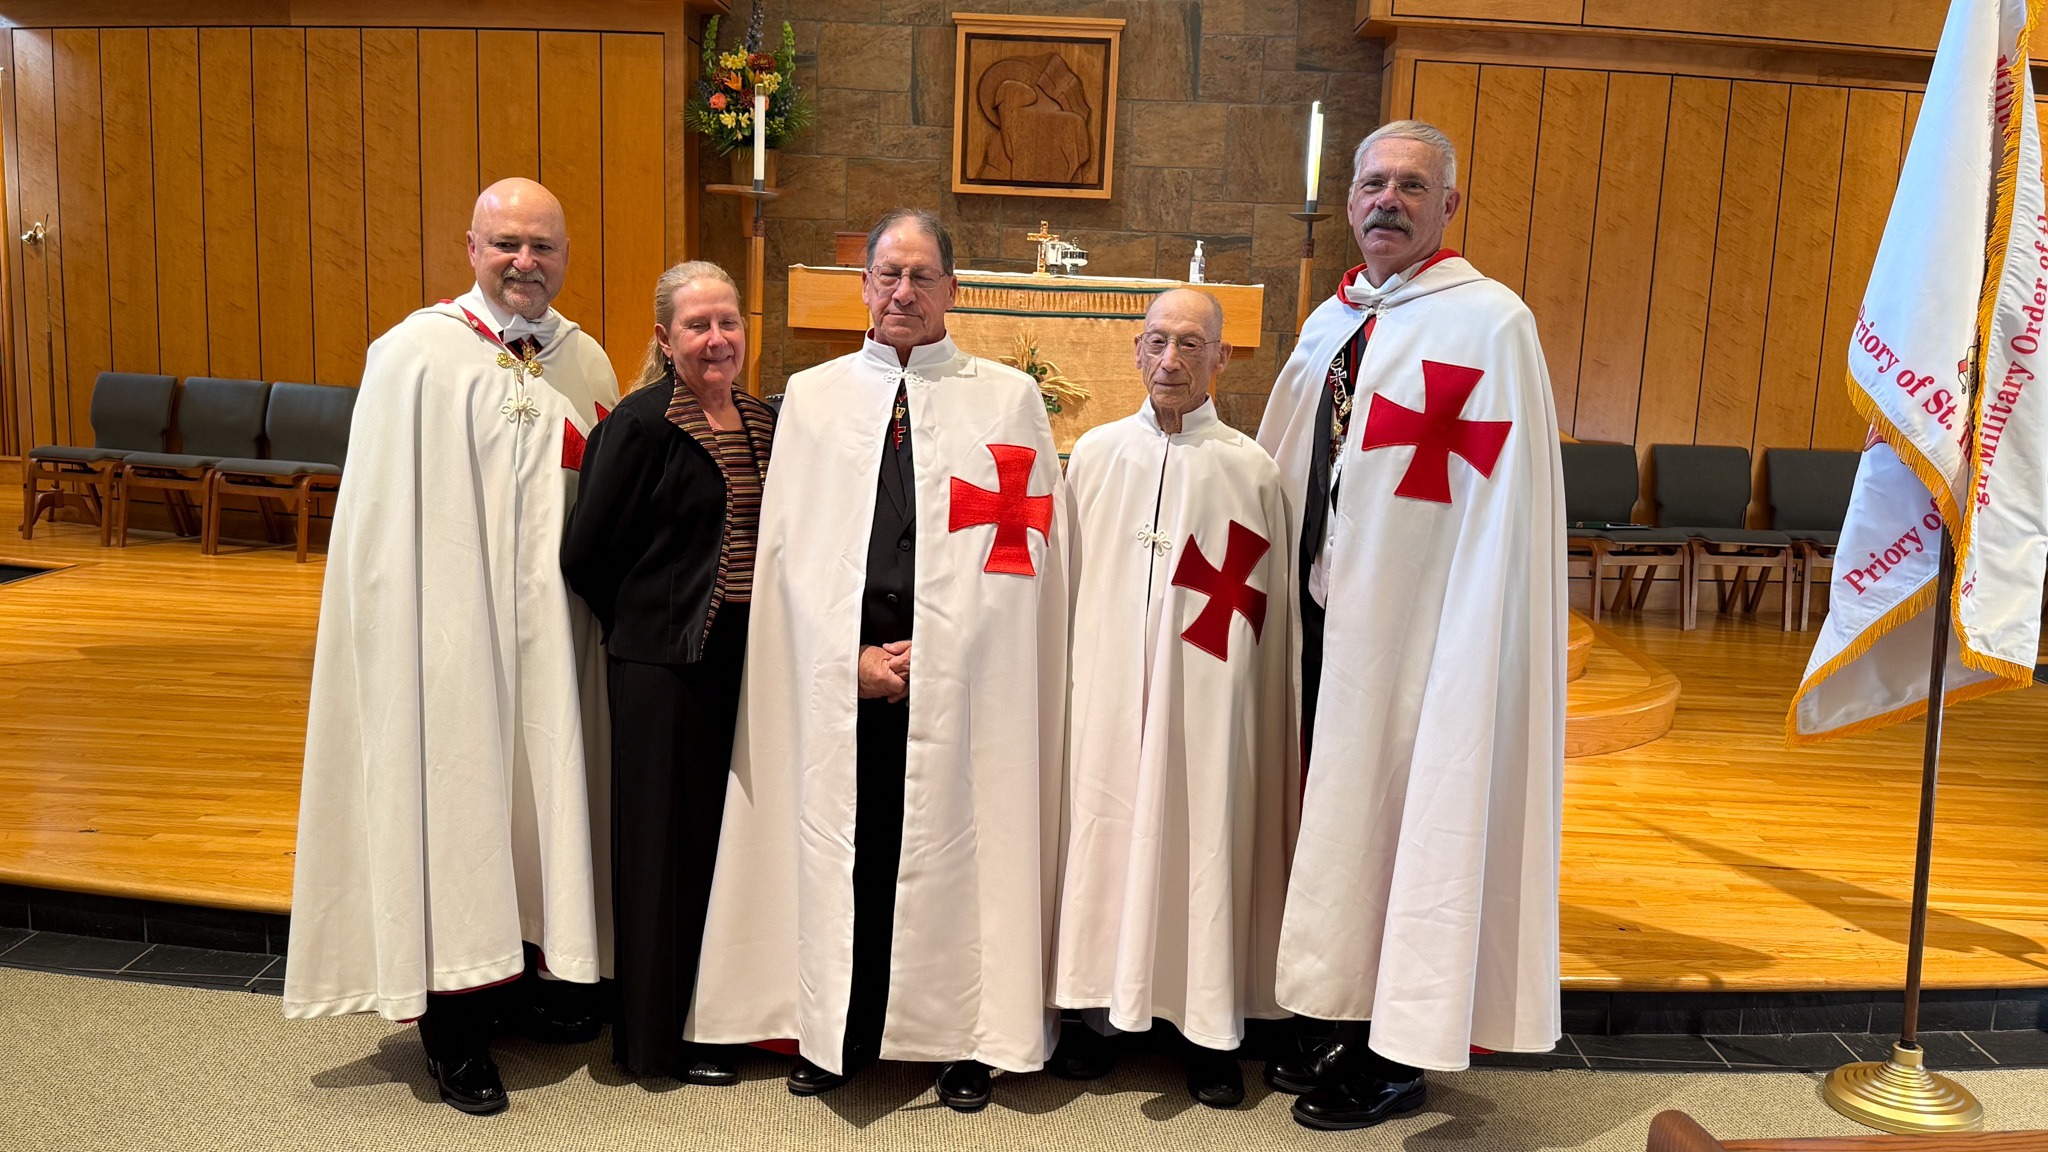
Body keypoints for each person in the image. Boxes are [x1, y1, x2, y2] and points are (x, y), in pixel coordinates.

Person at [685, 208, 1071, 1113]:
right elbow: (788, 560)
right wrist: (845, 658)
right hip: (849, 673)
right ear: (863, 287)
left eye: (922, 275)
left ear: (952, 289)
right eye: (888, 275)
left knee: (957, 848)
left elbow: (1026, 559)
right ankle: (838, 1029)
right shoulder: (814, 399)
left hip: (962, 678)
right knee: (849, 849)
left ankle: (964, 1036)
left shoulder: (1006, 399)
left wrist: (947, 652)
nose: (903, 292)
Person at [283, 178, 621, 1115]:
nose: (525, 261)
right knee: (459, 808)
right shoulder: (414, 357)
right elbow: (376, 529)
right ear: (472, 248)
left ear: (565, 256)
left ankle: (524, 978)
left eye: (543, 246)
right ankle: (455, 1025)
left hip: (554, 643)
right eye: (507, 243)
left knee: (537, 804)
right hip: (447, 647)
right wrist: (407, 645)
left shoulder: (585, 361)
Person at [1254, 120, 1567, 1131]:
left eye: (1412, 186)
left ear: (1449, 205)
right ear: (1350, 199)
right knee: (1335, 813)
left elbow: (1502, 509)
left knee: (1404, 814)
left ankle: (1395, 1050)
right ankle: (1332, 1004)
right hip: (1324, 621)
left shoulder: (1490, 324)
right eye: (1374, 183)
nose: (1387, 200)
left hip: (1426, 630)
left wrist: (1467, 628)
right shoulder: (1332, 322)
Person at [1048, 289, 1299, 1108]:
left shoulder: (1250, 470)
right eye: (1158, 341)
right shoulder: (1095, 457)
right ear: (1136, 351)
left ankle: (1207, 1029)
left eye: (1191, 343)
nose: (1171, 359)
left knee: (1200, 834)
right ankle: (1092, 1013)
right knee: (1104, 825)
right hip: (1109, 687)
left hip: (1205, 694)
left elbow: (1265, 618)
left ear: (1221, 358)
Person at [561, 262, 775, 1086]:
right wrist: (645, 625)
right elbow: (587, 552)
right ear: (664, 337)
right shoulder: (642, 424)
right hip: (664, 665)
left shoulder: (761, 420)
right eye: (697, 326)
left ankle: (716, 1015)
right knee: (660, 851)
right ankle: (650, 1043)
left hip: (746, 662)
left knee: (724, 844)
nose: (717, 340)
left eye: (728, 322)